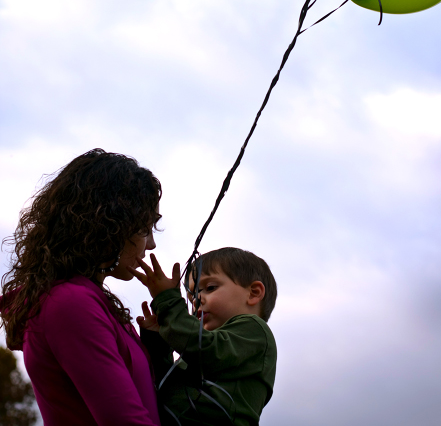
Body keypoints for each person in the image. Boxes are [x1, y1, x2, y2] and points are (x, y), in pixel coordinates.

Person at [0, 148, 163, 426]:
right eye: (144, 229)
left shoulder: (92, 302)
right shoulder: (70, 302)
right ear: (110, 225)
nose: (151, 245)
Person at [131, 247, 278, 426]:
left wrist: (168, 301)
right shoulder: (197, 347)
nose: (197, 300)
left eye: (210, 288)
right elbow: (165, 385)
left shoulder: (254, 330)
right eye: (191, 296)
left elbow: (205, 349)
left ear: (253, 293)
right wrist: (157, 342)